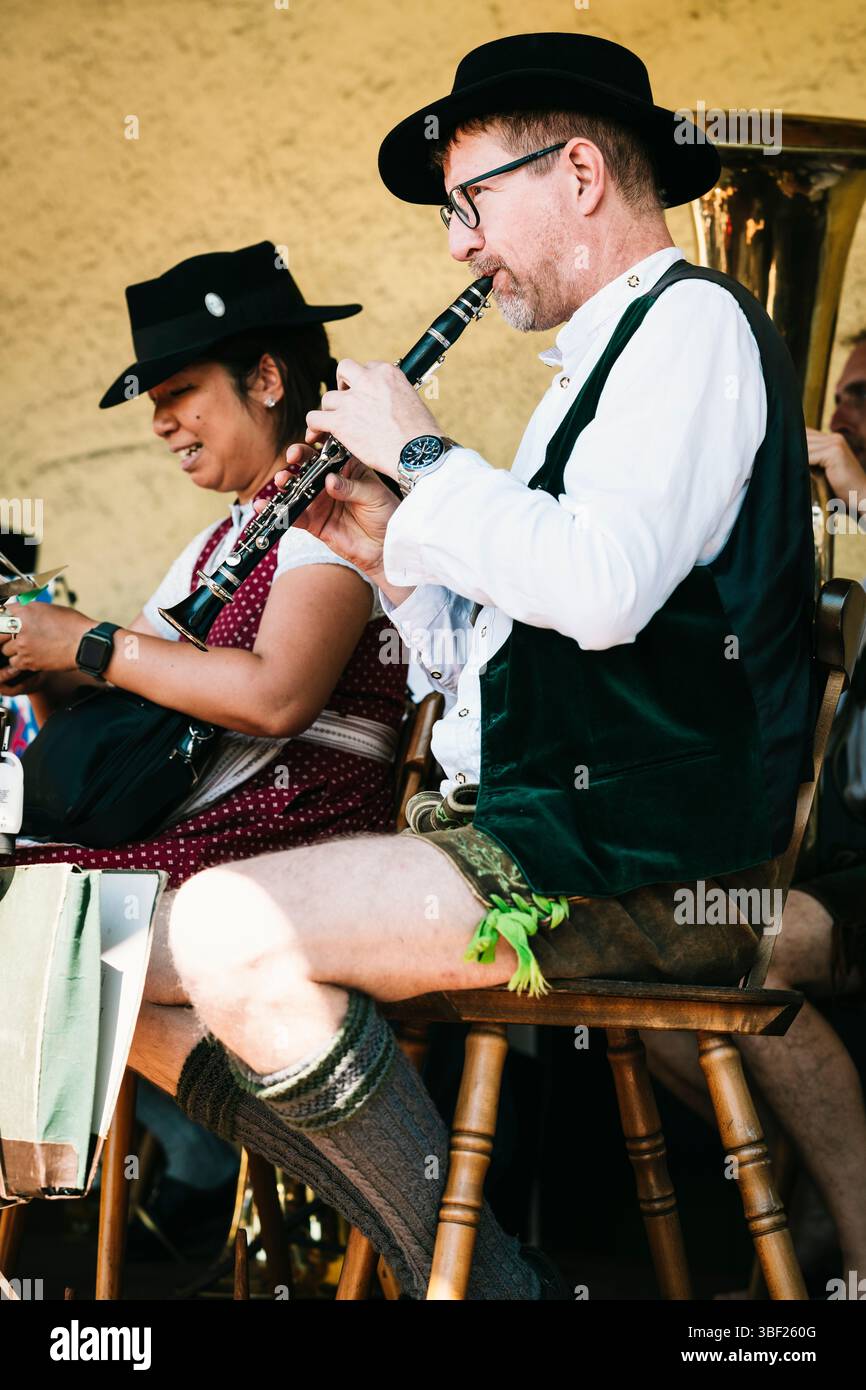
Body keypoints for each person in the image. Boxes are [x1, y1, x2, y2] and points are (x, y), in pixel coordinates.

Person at [126, 33, 817, 1300]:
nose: (458, 245)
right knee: (124, 965)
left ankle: (489, 1284)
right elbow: (515, 669)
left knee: (220, 928)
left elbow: (599, 592)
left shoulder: (691, 327)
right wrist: (392, 555)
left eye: (470, 203)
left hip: (645, 862)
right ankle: (492, 1274)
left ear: (577, 175)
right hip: (558, 835)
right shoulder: (589, 373)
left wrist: (430, 460)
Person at [0, 242, 408, 895]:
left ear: (268, 380)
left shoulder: (337, 504)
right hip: (212, 828)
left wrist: (84, 640)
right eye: (155, 402)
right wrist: (41, 667)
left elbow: (278, 698)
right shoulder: (218, 541)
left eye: (180, 391)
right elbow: (122, 719)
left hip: (289, 831)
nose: (161, 423)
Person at [643, 334, 866, 1293]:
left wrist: (859, 500)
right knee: (644, 968)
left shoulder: (857, 517)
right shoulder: (816, 526)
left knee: (748, 949)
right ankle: (796, 1217)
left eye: (863, 393)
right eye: (845, 393)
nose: (841, 409)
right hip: (808, 857)